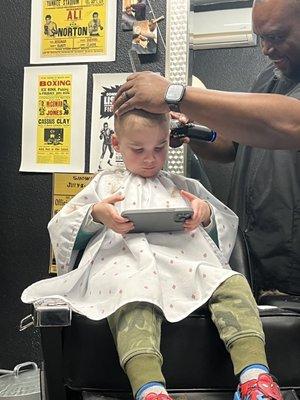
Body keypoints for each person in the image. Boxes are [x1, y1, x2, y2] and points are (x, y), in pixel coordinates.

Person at [22, 110, 282, 400]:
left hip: (187, 266)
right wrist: (97, 214)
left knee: (232, 283)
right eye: (138, 149)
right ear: (117, 143)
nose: (150, 158)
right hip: (125, 267)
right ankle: (150, 390)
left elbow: (225, 227)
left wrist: (205, 215)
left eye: (159, 148)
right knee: (133, 293)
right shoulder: (104, 186)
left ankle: (255, 377)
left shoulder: (184, 186)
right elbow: (61, 227)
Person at [113, 0, 300, 297]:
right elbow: (233, 148)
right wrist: (194, 134)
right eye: (260, 37)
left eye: (276, 36)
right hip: (256, 256)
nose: (266, 48)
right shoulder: (269, 79)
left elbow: (291, 123)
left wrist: (174, 94)